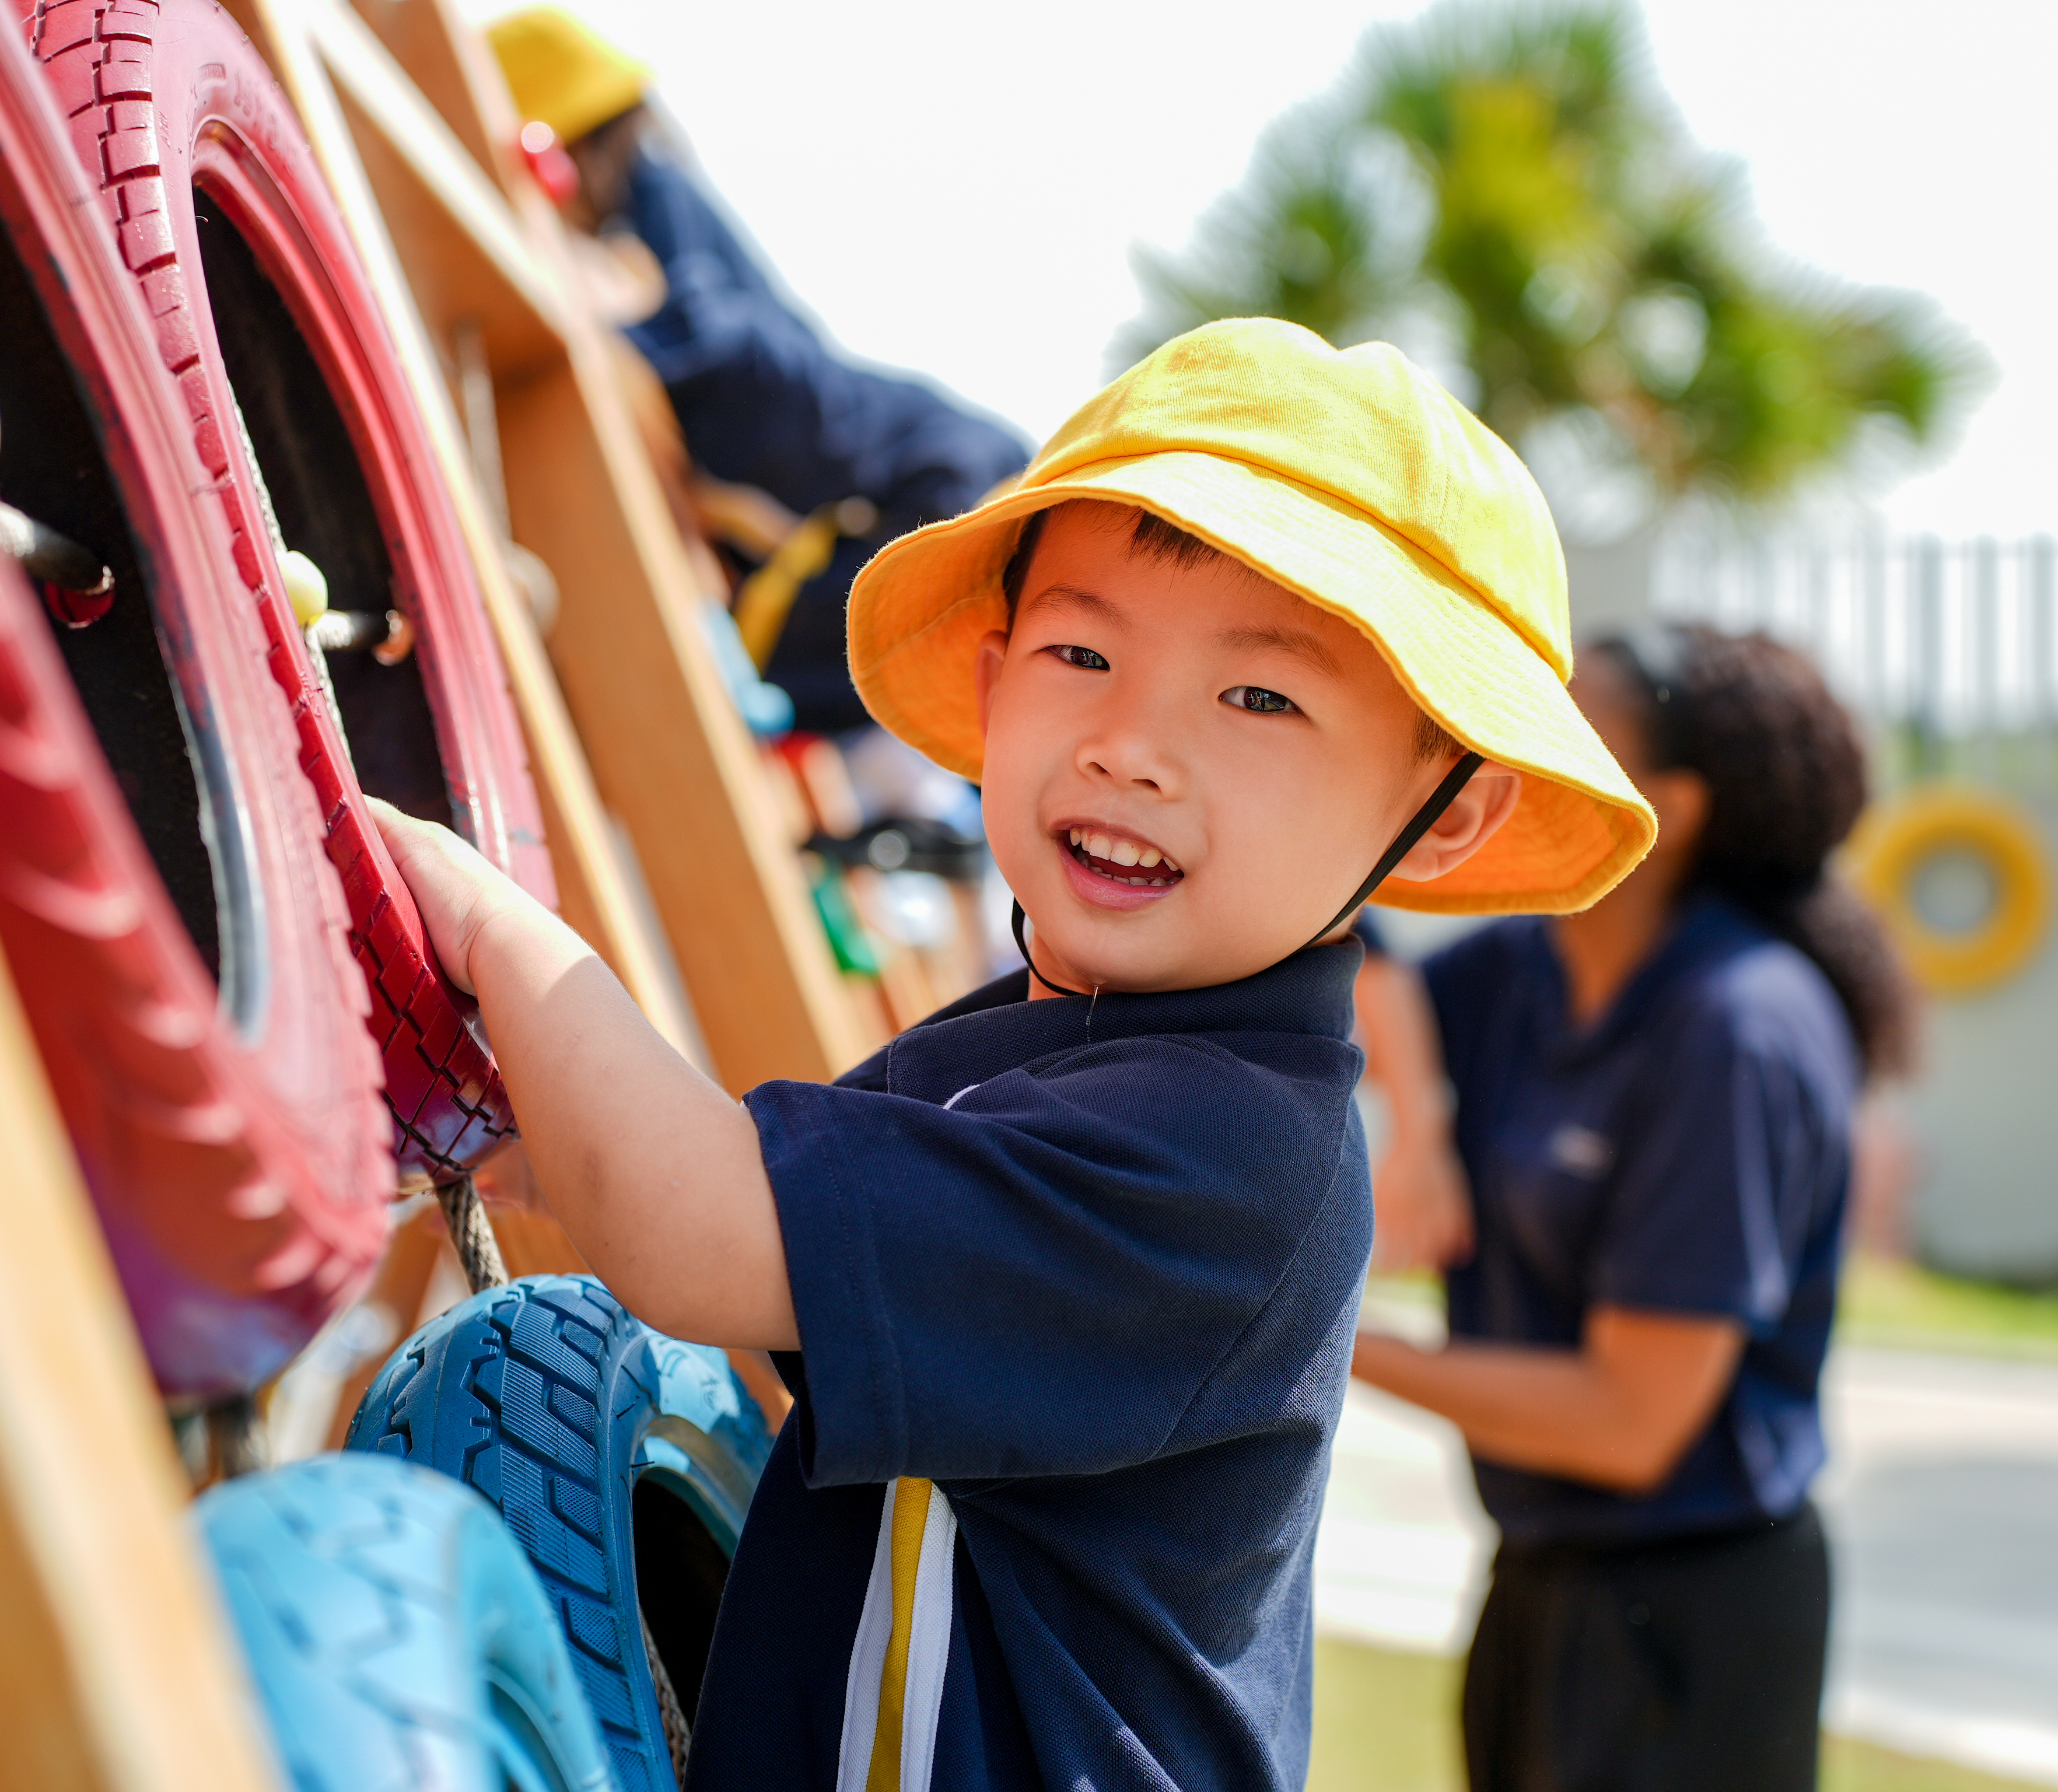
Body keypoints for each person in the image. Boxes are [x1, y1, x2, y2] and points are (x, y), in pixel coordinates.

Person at [369, 318, 1654, 1790]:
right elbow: (710, 1218)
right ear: (992, 682)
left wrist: (478, 913)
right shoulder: (1037, 1045)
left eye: (1258, 696)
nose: (1129, 743)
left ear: (1447, 811)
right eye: (1082, 650)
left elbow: (693, 1225)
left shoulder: (1218, 1152)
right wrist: (465, 1105)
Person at [1352, 622, 1922, 1792]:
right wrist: (1420, 1122)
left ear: (1673, 806)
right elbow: (1338, 964)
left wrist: (1324, 1342)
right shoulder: (1521, 971)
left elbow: (1629, 1420)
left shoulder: (1737, 1030)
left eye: (1570, 726)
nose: (1515, 747)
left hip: (1690, 1622)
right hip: (1535, 1579)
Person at [485, 7, 1033, 733]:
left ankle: (746, 709)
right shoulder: (649, 208)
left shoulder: (652, 195)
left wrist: (600, 333)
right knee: (846, 664)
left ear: (563, 146)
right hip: (897, 458)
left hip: (914, 459)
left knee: (827, 663)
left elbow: (715, 340)